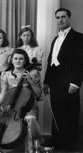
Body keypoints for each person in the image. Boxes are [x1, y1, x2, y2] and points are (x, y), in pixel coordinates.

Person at [0, 49, 42, 153]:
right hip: (10, 106)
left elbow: (38, 94)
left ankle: (30, 149)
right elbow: (3, 92)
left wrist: (30, 80)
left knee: (29, 118)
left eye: (21, 59)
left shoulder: (33, 73)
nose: (18, 61)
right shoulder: (6, 74)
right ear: (11, 60)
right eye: (16, 58)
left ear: (25, 61)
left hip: (28, 107)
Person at [43, 8, 83, 152]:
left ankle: (70, 146)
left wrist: (75, 83)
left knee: (70, 113)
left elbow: (80, 62)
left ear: (69, 18)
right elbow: (51, 61)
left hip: (69, 81)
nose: (60, 20)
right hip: (55, 81)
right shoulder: (56, 38)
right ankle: (57, 143)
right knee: (57, 111)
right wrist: (46, 82)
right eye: (58, 17)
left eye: (63, 17)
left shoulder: (78, 37)